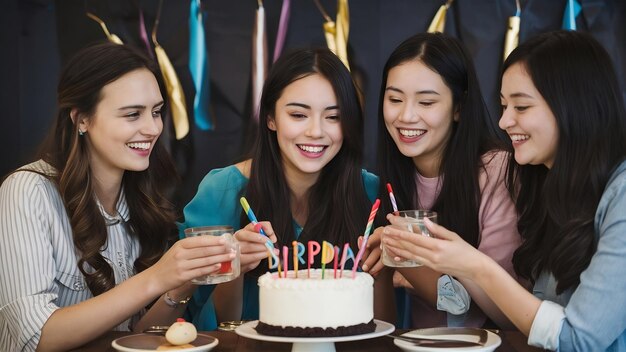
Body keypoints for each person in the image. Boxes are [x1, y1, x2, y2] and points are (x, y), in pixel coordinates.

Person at [383, 30, 626, 350]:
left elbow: (575, 337)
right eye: (503, 105)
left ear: (574, 105)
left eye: (521, 107)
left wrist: (467, 264)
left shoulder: (616, 195)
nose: (504, 121)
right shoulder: (555, 188)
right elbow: (534, 314)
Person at [0, 43, 235, 351]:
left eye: (156, 112)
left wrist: (184, 278)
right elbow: (38, 337)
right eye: (132, 114)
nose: (152, 128)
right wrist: (155, 276)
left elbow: (132, 338)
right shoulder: (27, 192)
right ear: (81, 119)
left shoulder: (140, 200)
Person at [180, 47, 396, 330]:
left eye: (333, 117)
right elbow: (213, 325)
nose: (316, 132)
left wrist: (383, 267)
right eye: (298, 115)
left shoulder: (370, 194)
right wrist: (233, 270)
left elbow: (383, 324)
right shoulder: (221, 192)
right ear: (270, 117)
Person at [361, 32, 522, 329]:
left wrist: (407, 257)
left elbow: (505, 312)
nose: (406, 116)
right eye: (395, 99)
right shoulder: (390, 182)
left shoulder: (497, 172)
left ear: (458, 107)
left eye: (426, 102)